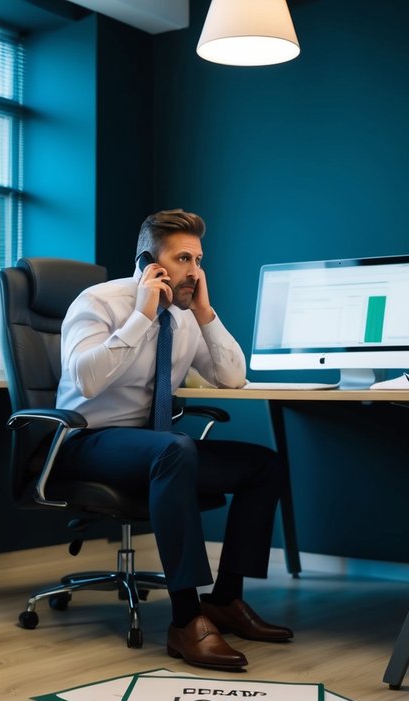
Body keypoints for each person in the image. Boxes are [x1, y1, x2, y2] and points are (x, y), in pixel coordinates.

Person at [53, 208, 292, 670]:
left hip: (155, 450)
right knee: (174, 448)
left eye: (199, 260)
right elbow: (85, 380)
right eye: (184, 259)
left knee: (263, 465)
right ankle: (187, 618)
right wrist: (142, 316)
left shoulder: (184, 318)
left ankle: (224, 600)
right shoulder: (98, 303)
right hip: (86, 444)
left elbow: (232, 377)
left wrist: (204, 313)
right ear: (149, 262)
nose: (195, 271)